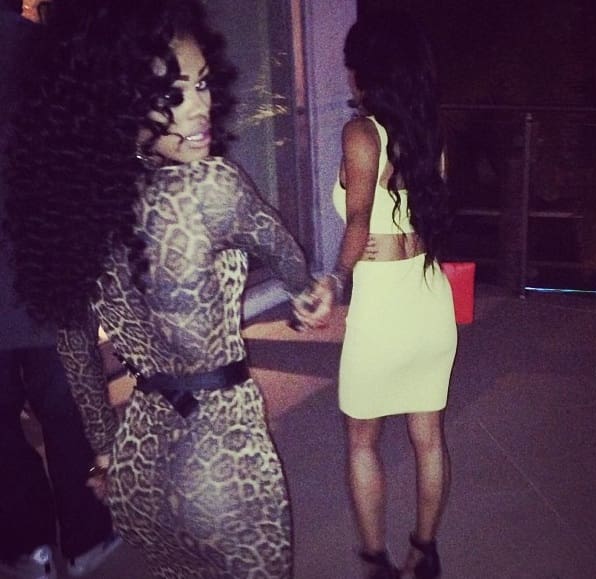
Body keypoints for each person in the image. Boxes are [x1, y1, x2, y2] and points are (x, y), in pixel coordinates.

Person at [4, 0, 331, 577]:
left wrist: (106, 449)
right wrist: (308, 292)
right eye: (171, 95)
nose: (200, 107)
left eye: (201, 84)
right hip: (223, 461)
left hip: (139, 460)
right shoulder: (212, 188)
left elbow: (76, 349)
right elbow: (284, 252)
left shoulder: (82, 209)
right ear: (118, 102)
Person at [327, 11, 457, 579]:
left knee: (362, 439)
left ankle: (375, 562)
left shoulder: (361, 133)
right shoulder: (429, 131)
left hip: (382, 312)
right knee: (428, 438)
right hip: (429, 300)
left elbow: (358, 218)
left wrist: (336, 279)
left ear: (369, 72)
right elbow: (428, 216)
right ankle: (424, 553)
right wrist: (400, 239)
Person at [0, 1, 121, 578]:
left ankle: (30, 545)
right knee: (67, 412)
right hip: (50, 267)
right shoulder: (50, 55)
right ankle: (85, 536)